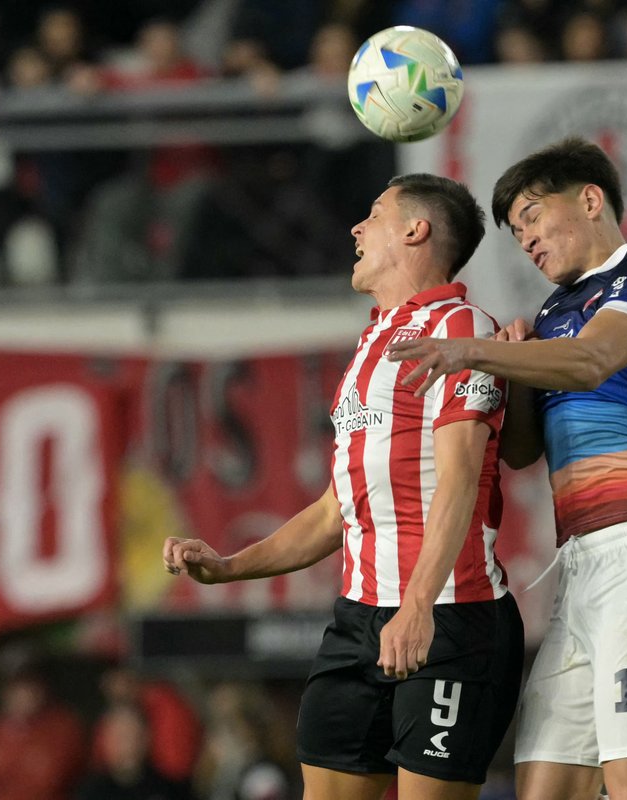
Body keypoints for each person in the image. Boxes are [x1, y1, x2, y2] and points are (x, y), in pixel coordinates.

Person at [162, 173, 524, 800]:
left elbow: (459, 485)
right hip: (357, 620)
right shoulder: (371, 344)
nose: (356, 229)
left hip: (450, 619)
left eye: (374, 215)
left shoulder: (462, 331)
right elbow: (337, 510)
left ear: (416, 230)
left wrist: (416, 608)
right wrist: (228, 566)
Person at [387, 138, 627, 800]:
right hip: (580, 565)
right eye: (516, 232)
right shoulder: (550, 315)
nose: (527, 241)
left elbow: (593, 361)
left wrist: (475, 352)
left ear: (590, 200)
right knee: (547, 791)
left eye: (534, 216)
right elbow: (520, 452)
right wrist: (513, 374)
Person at [0, 648, 88, 800]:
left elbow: (47, 780)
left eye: (29, 684)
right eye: (15, 686)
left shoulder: (64, 726)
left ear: (44, 687)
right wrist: (21, 762)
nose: (23, 693)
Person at [76, 703, 194, 800]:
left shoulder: (171, 789)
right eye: (120, 736)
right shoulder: (91, 793)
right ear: (106, 741)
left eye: (133, 735)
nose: (128, 743)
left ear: (146, 738)